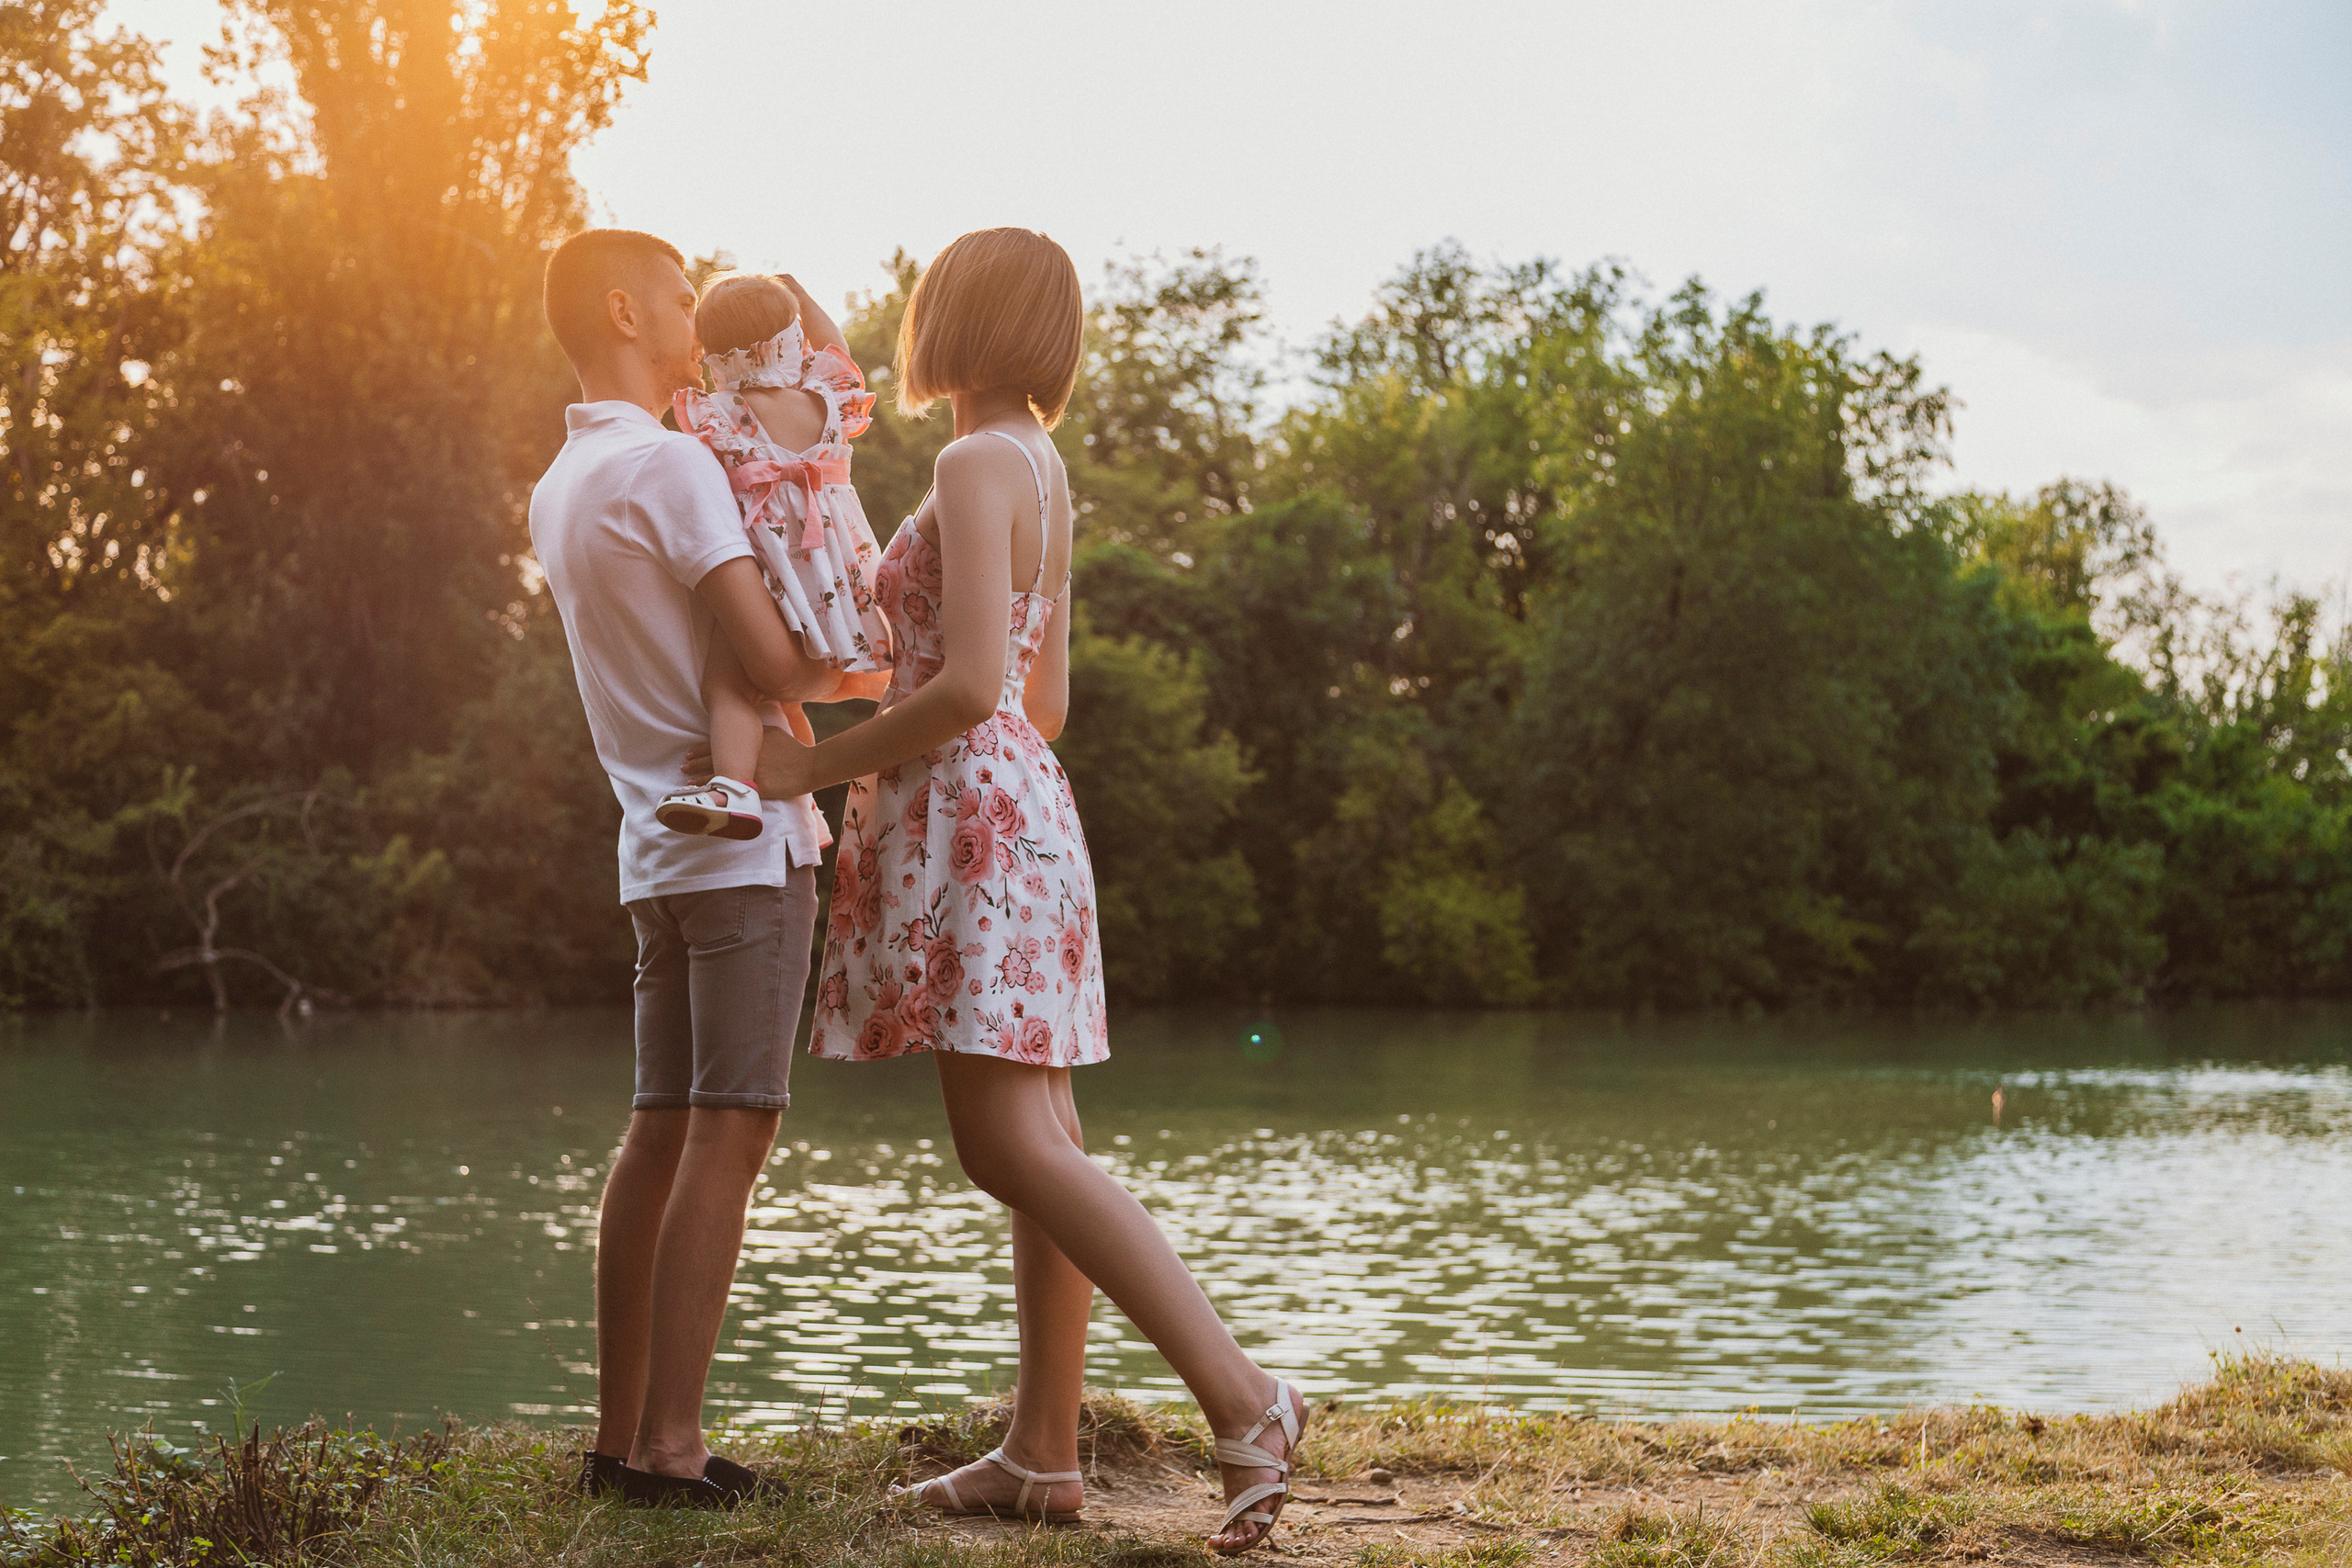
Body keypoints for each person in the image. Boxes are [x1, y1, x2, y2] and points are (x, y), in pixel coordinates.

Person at [712, 227, 1308, 1555]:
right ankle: (1044, 1451)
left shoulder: (975, 459)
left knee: (1009, 1147)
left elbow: (979, 689)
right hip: (1022, 805)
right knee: (1048, 1146)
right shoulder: (1039, 464)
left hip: (974, 813)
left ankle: (1249, 1398)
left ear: (954, 321)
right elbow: (1046, 696)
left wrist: (815, 764)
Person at [529, 227, 884, 1507]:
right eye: (681, 295)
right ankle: (671, 1448)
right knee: (733, 1124)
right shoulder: (670, 464)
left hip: (653, 841)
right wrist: (862, 656)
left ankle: (620, 1434)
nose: (693, 315)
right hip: (743, 847)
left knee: (660, 1124)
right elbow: (776, 659)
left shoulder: (562, 480)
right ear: (625, 308)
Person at [655, 271, 892, 840]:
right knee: (787, 701)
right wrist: (805, 296)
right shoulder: (826, 399)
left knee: (732, 685)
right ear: (791, 339)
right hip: (838, 572)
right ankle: (800, 807)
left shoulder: (719, 415)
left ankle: (735, 788)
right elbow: (838, 349)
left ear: (712, 355)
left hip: (773, 576)